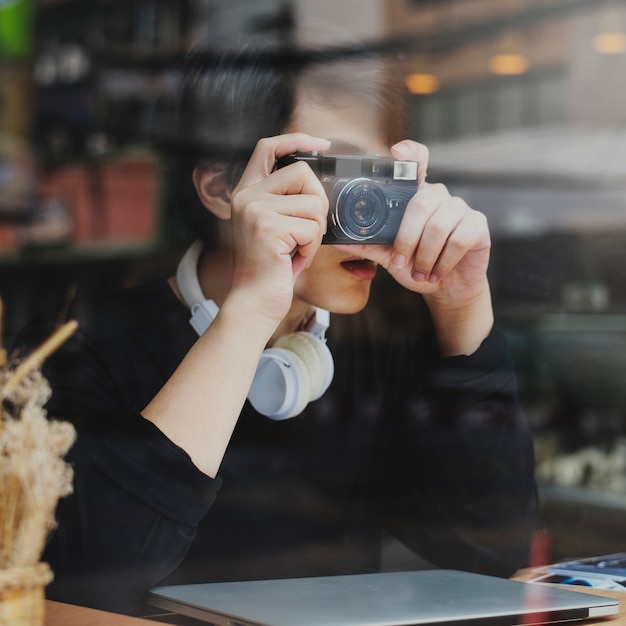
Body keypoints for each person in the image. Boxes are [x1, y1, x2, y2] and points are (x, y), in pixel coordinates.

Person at [14, 35, 538, 616]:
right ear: (220, 187)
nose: (365, 210)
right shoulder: (78, 344)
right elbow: (84, 583)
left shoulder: (379, 344)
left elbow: (489, 552)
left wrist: (462, 308)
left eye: (385, 180)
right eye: (339, 174)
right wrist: (251, 312)